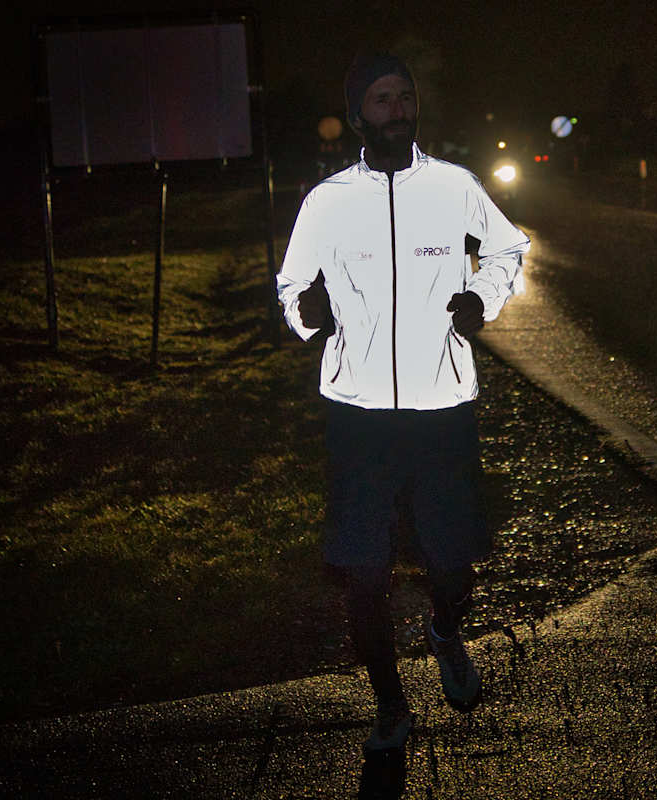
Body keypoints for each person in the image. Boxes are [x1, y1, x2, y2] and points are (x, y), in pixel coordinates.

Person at [276, 51, 530, 759]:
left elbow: (508, 249)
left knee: (453, 566)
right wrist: (308, 314)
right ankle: (390, 705)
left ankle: (445, 630)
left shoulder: (454, 187)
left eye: (406, 97)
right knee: (364, 573)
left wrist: (483, 298)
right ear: (358, 115)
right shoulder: (327, 201)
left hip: (441, 409)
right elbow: (292, 286)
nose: (398, 109)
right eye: (382, 99)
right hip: (357, 416)